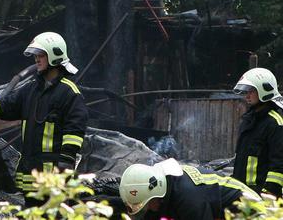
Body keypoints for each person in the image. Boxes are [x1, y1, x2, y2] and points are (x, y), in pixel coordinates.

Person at [0, 32, 87, 205]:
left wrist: (65, 164)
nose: (36, 59)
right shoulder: (31, 89)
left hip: (53, 178)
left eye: (41, 55)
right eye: (35, 55)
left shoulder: (69, 93)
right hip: (30, 175)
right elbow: (6, 106)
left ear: (55, 56)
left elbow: (74, 132)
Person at [120, 159, 259, 220]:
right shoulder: (168, 187)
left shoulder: (189, 199)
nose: (148, 209)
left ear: (156, 192)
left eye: (147, 204)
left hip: (251, 210)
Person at [231, 67, 283, 196]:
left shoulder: (275, 123)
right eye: (246, 91)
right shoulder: (249, 121)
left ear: (264, 90)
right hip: (243, 193)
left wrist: (268, 193)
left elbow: (278, 165)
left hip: (261, 195)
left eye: (251, 91)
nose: (247, 96)